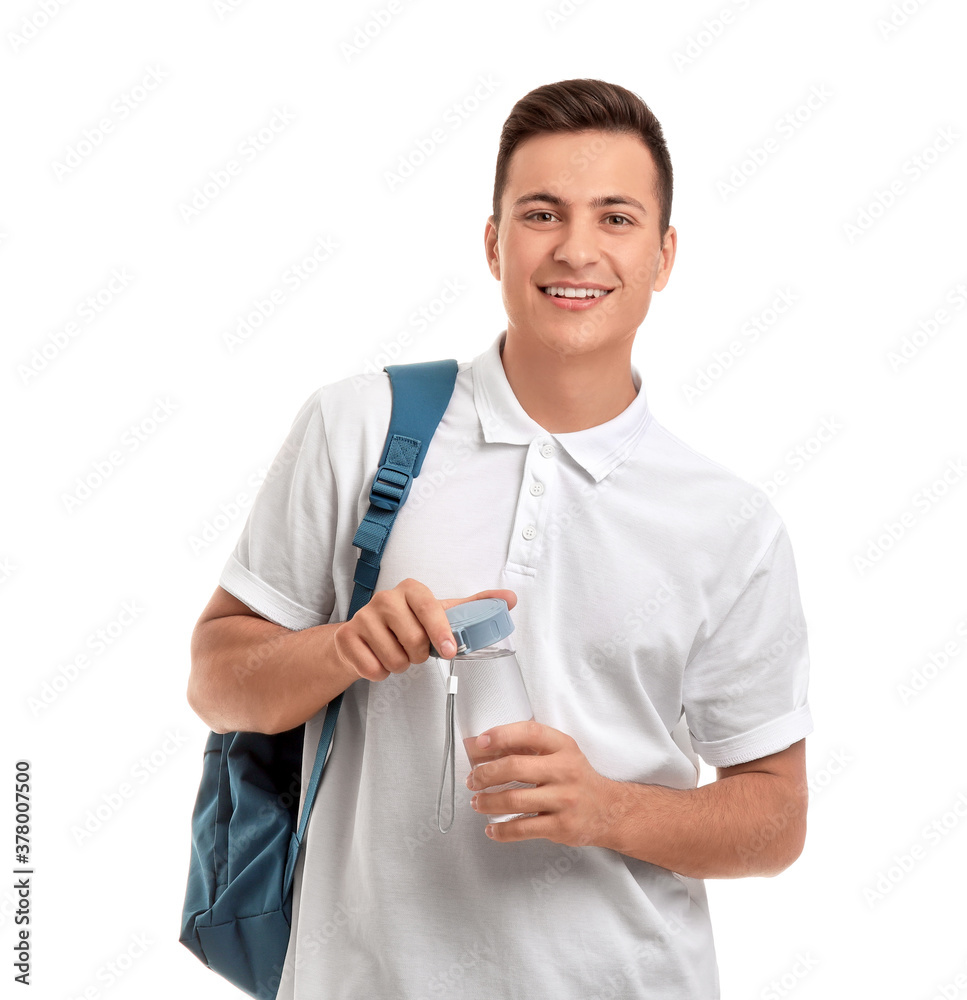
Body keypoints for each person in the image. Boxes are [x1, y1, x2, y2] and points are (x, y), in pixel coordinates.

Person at [187, 78, 813, 999]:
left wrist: (606, 808)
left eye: (616, 219)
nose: (576, 249)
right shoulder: (359, 428)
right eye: (541, 212)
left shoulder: (728, 524)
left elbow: (775, 817)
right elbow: (214, 679)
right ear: (493, 241)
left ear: (663, 254)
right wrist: (341, 650)